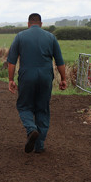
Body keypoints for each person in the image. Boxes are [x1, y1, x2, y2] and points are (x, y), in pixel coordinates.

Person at [7, 13, 67, 154]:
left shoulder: (20, 36)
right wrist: (63, 78)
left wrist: (10, 80)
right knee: (42, 108)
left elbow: (12, 61)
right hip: (45, 77)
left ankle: (31, 129)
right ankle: (39, 145)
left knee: (24, 106)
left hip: (27, 76)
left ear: (28, 24)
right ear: (41, 24)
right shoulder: (51, 37)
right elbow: (59, 61)